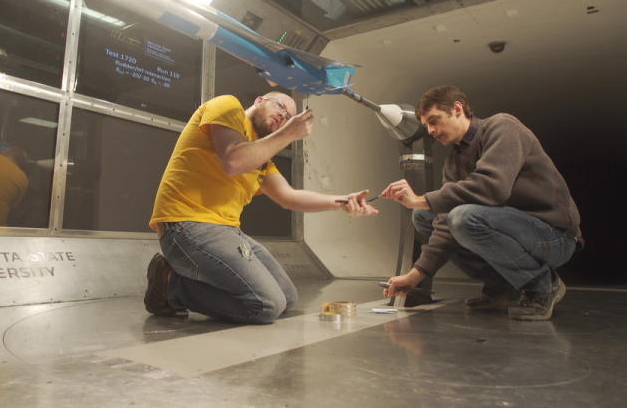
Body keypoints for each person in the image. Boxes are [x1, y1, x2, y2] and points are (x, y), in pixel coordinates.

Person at [145, 92, 378, 324]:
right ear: (259, 100)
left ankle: (193, 285)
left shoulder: (261, 159)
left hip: (227, 230)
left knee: (287, 297)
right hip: (186, 223)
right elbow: (233, 161)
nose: (283, 116)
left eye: (288, 117)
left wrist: (342, 202)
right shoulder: (227, 106)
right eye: (280, 106)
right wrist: (288, 134)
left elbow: (289, 197)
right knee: (266, 305)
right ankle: (170, 285)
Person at [380, 86, 581, 321]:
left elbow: (492, 187)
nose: (431, 131)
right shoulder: (454, 162)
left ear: (457, 109)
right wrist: (416, 275)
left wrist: (422, 200)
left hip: (553, 237)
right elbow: (444, 224)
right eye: (426, 126)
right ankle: (503, 286)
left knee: (462, 217)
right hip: (511, 231)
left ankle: (542, 285)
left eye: (434, 121)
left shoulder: (503, 127)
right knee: (425, 218)